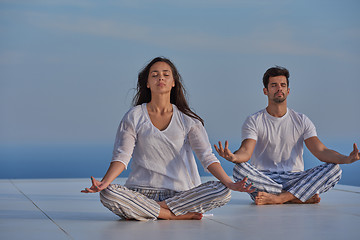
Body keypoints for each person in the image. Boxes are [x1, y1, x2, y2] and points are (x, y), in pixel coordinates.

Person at [82, 57, 254, 220]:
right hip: (141, 192)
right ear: (147, 84)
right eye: (154, 75)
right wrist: (104, 182)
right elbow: (122, 156)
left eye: (166, 74)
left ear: (173, 82)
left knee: (223, 190)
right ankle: (170, 215)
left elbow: (207, 157)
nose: (160, 78)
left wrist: (230, 184)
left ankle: (150, 210)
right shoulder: (134, 116)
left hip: (180, 194)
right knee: (108, 193)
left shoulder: (188, 120)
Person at [215, 66, 360, 205]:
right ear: (265, 91)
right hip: (264, 178)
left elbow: (321, 151)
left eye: (283, 85)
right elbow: (246, 151)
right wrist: (233, 157)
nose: (279, 88)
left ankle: (280, 198)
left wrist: (346, 159)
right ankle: (297, 196)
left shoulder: (301, 120)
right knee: (238, 170)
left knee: (335, 169)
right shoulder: (254, 120)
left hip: (294, 178)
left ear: (288, 90)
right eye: (274, 85)